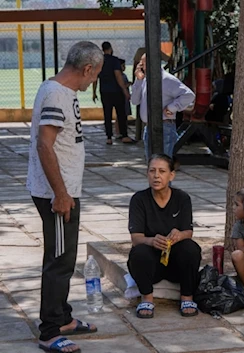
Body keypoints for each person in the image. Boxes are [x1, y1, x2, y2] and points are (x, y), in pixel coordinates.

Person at [27, 41, 103, 353]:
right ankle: (49, 331)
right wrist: (60, 193)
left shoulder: (63, 92)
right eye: (95, 75)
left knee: (66, 258)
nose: (93, 81)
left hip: (66, 191)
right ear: (87, 69)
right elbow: (45, 146)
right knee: (59, 261)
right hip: (57, 194)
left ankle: (63, 318)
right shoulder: (57, 93)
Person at [127, 154, 202, 319]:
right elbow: (136, 237)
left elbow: (188, 232)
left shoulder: (182, 198)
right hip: (151, 263)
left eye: (162, 171)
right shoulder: (139, 199)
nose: (156, 176)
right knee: (138, 252)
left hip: (175, 262)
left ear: (171, 175)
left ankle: (187, 297)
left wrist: (179, 235)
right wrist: (151, 241)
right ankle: (146, 298)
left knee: (191, 248)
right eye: (152, 171)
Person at [131, 54, 196, 160]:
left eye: (144, 63)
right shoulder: (145, 80)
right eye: (141, 64)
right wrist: (138, 80)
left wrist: (172, 107)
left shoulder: (167, 79)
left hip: (165, 127)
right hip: (149, 127)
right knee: (151, 164)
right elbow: (134, 100)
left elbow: (189, 95)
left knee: (163, 163)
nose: (142, 66)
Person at [92, 41, 133, 145]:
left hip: (104, 91)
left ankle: (109, 137)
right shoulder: (114, 61)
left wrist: (94, 92)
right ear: (110, 48)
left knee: (107, 114)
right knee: (121, 113)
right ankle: (124, 135)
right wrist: (125, 91)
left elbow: (95, 78)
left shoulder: (99, 62)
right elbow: (118, 76)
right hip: (116, 91)